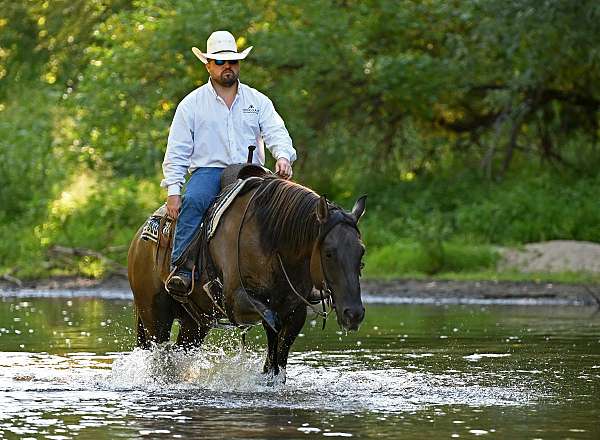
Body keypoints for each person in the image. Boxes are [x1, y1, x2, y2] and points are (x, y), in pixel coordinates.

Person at [161, 30, 296, 293]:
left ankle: (298, 272)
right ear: (208, 65)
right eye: (220, 62)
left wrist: (282, 156)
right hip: (210, 170)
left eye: (232, 62)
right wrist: (174, 190)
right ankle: (183, 268)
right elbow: (177, 150)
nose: (227, 67)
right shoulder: (192, 105)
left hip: (252, 171)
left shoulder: (258, 101)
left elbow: (276, 131)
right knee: (195, 201)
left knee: (290, 207)